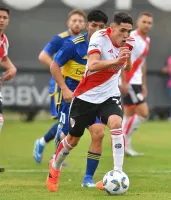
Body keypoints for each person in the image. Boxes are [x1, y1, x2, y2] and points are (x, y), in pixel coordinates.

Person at [46, 12, 134, 192]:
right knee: (72, 140)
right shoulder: (99, 38)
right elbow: (93, 65)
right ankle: (55, 167)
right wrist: (116, 60)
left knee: (116, 124)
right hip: (86, 97)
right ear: (112, 28)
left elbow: (128, 66)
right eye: (122, 30)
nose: (126, 35)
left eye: (129, 31)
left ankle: (117, 173)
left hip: (109, 95)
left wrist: (127, 57)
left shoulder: (128, 41)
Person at [49, 10, 109, 189]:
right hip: (72, 96)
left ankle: (88, 179)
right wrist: (65, 89)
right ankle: (56, 164)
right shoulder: (73, 45)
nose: (97, 29)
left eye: (101, 26)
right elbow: (54, 65)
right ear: (87, 25)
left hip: (94, 96)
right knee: (69, 137)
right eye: (94, 25)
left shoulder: (106, 46)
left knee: (98, 132)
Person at [33, 9, 86, 163]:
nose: (77, 23)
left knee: (67, 121)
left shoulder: (85, 41)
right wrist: (58, 67)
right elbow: (43, 56)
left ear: (85, 24)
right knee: (63, 120)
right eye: (74, 20)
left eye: (80, 21)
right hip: (59, 85)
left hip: (76, 85)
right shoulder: (60, 39)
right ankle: (53, 154)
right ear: (68, 22)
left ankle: (45, 145)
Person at [120, 12, 153, 156]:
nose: (146, 25)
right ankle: (122, 142)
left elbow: (142, 63)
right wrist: (124, 81)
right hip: (130, 81)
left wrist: (144, 84)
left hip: (137, 81)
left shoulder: (147, 40)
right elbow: (122, 59)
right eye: (144, 21)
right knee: (144, 113)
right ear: (138, 22)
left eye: (149, 23)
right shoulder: (131, 37)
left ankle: (123, 144)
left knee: (129, 114)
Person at [0, 6, 17, 172]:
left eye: (4, 17)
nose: (1, 20)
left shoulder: (3, 40)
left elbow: (3, 57)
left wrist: (12, 68)